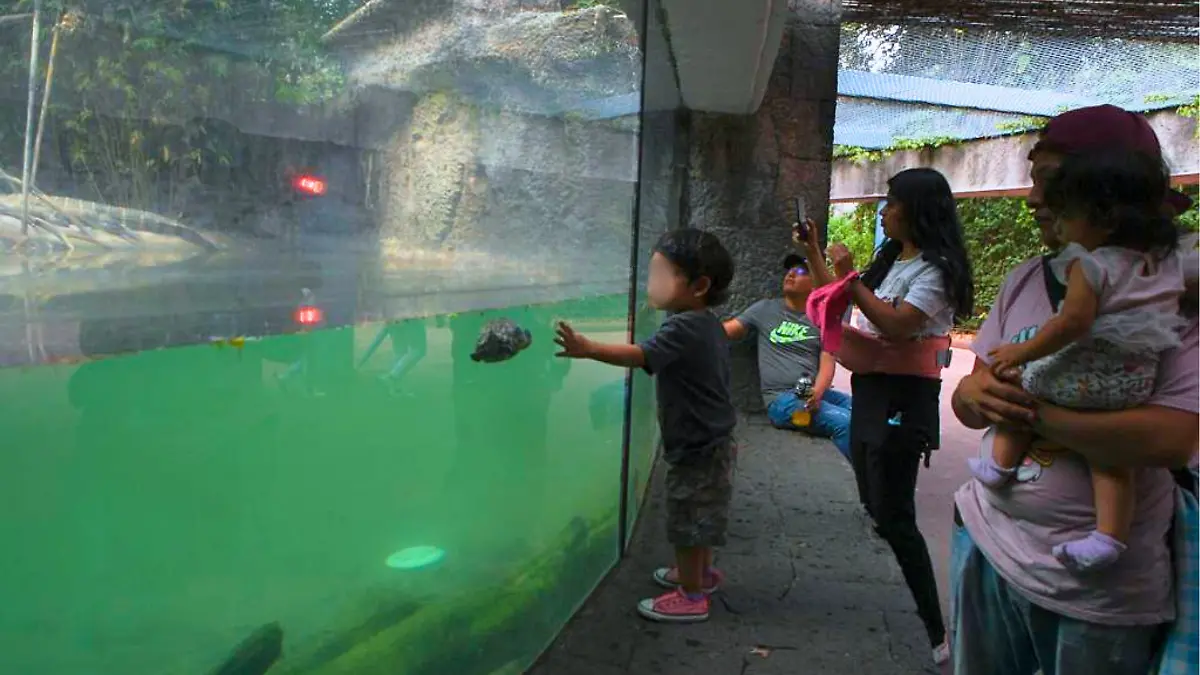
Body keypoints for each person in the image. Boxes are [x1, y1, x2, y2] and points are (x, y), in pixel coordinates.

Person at [949, 104, 1198, 675]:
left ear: (1105, 203)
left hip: (1100, 597)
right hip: (990, 547)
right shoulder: (1027, 277)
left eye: (1050, 180)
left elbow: (1169, 440)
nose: (1034, 198)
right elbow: (968, 398)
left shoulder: (1173, 298)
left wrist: (1034, 411)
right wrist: (976, 397)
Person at [969, 148, 1197, 574]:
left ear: (1104, 218)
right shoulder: (1162, 264)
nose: (1054, 221)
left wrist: (1023, 351)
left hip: (1085, 372)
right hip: (1132, 381)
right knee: (1111, 462)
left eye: (1065, 215)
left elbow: (1072, 322)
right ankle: (1109, 536)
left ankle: (999, 466)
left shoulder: (1088, 264)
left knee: (1021, 383)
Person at [802, 168, 975, 665]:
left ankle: (933, 632)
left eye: (892, 201)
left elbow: (897, 326)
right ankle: (898, 604)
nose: (884, 209)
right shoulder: (892, 260)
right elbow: (832, 301)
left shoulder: (936, 270)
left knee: (896, 514)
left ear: (918, 209)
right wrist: (818, 253)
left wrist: (850, 278)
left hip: (905, 396)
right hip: (870, 389)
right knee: (873, 503)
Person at [554, 228, 737, 623]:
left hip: (695, 445)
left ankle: (690, 595)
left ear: (699, 285)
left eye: (660, 275)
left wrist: (588, 349)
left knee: (687, 520)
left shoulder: (683, 327)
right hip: (714, 439)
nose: (651, 284)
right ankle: (700, 575)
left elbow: (641, 355)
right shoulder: (704, 322)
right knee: (701, 516)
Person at [724, 253, 852, 460]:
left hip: (813, 393)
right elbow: (728, 330)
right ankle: (857, 484)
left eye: (801, 271)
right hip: (782, 400)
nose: (791, 274)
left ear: (814, 283)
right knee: (845, 423)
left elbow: (828, 363)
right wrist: (694, 327)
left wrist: (817, 392)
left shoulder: (822, 318)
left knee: (862, 412)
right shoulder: (765, 309)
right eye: (790, 270)